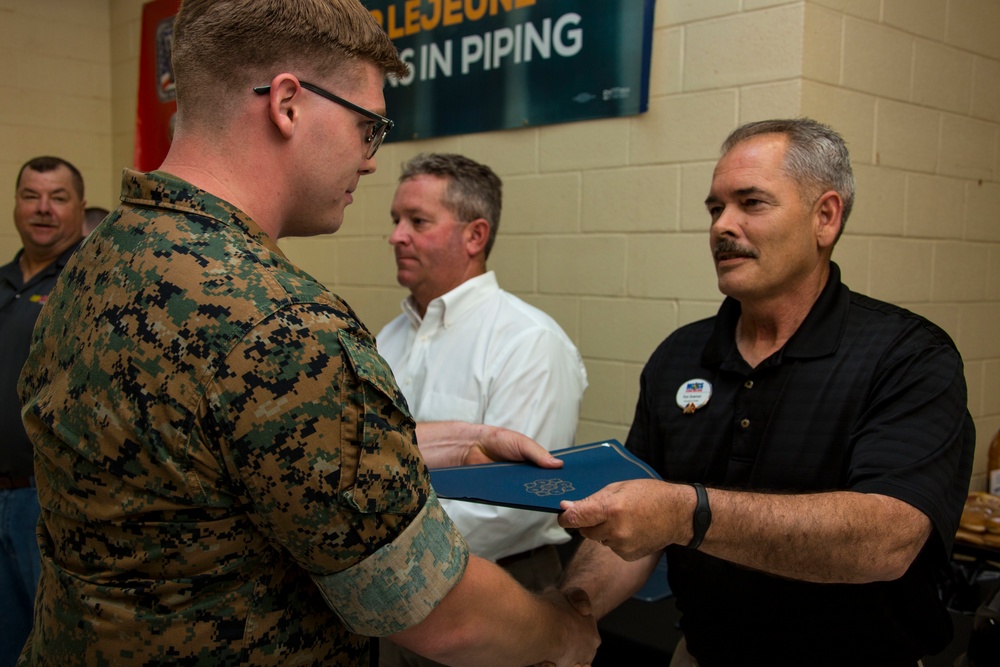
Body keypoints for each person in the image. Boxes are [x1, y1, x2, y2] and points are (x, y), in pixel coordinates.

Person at [15, 1, 599, 666]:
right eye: (368, 126)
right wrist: (562, 630)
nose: (371, 159)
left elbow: (222, 448)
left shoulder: (100, 257)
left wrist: (459, 439)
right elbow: (438, 613)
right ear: (288, 103)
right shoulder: (278, 318)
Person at [557, 118, 975, 667]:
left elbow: (888, 539)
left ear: (825, 217)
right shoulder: (679, 356)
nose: (722, 227)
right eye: (715, 209)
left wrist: (688, 513)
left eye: (751, 203)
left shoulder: (907, 356)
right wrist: (574, 609)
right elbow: (637, 524)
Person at [377, 154, 588, 666]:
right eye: (395, 220)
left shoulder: (527, 342)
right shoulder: (389, 337)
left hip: (499, 586)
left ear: (475, 236)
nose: (397, 236)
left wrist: (381, 543)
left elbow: (514, 502)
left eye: (417, 221)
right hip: (392, 588)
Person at [0, 156, 85, 667]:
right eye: (32, 196)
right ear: (15, 205)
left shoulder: (89, 282)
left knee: (51, 642)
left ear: (79, 205)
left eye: (58, 197)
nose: (43, 209)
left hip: (49, 498)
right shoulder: (3, 282)